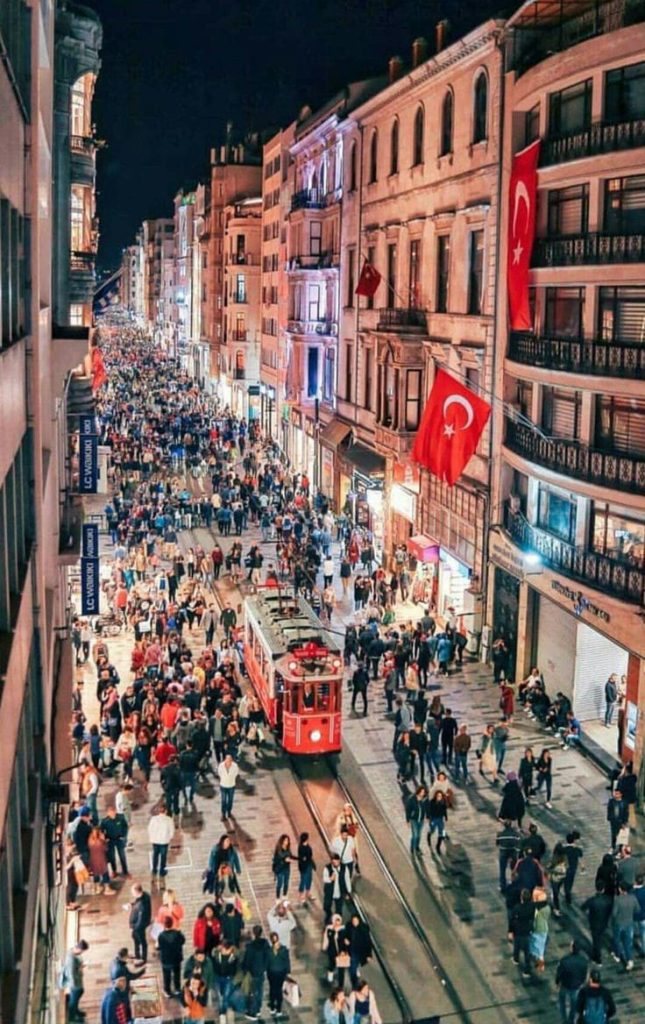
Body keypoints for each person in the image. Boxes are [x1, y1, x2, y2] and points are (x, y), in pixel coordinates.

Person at [555, 940, 589, 1024]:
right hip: (576, 986)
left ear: (572, 948)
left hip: (565, 985)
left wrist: (557, 982)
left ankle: (564, 1019)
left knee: (562, 1001)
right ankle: (571, 1020)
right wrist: (581, 982)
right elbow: (584, 974)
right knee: (574, 1005)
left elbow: (559, 973)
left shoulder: (565, 960)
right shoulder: (584, 961)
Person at [242, 924, 270, 1020]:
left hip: (253, 972)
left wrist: (245, 969)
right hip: (261, 971)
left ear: (254, 933)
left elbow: (247, 960)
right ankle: (258, 1009)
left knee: (253, 992)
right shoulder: (265, 944)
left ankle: (253, 1012)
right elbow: (268, 957)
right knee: (259, 990)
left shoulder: (251, 947)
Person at [582, 883, 613, 965]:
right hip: (604, 923)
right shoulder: (608, 900)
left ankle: (597, 958)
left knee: (596, 941)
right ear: (603, 889)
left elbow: (583, 907)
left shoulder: (592, 900)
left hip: (594, 923)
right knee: (600, 937)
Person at [610, 885, 638, 970]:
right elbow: (637, 909)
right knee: (627, 942)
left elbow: (614, 914)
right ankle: (629, 960)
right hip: (629, 923)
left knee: (617, 939)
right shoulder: (633, 898)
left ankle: (618, 955)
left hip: (619, 923)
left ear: (620, 889)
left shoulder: (618, 900)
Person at [60, 939, 89, 1023]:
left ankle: (76, 1011)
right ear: (79, 949)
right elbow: (71, 974)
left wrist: (80, 966)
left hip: (77, 981)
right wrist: (75, 987)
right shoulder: (71, 959)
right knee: (74, 999)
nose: (82, 953)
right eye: (83, 951)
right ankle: (72, 1017)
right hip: (75, 984)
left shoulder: (73, 953)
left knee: (77, 996)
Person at [213, 936, 239, 1022]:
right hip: (217, 978)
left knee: (225, 996)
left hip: (228, 978)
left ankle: (222, 1013)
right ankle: (222, 1012)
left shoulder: (233, 957)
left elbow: (235, 969)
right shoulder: (216, 955)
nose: (225, 951)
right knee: (219, 996)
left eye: (227, 949)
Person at [510, 888, 535, 978]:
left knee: (516, 946)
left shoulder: (517, 908)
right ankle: (527, 971)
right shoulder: (532, 906)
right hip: (528, 931)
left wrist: (511, 931)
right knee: (527, 952)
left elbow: (512, 920)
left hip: (518, 931)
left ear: (521, 898)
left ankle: (516, 959)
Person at [158, 915, 185, 998]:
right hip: (176, 958)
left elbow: (159, 947)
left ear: (164, 924)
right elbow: (183, 941)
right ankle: (177, 989)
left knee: (167, 976)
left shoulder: (161, 936)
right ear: (172, 923)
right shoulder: (178, 934)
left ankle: (167, 991)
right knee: (177, 974)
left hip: (166, 959)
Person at [266, 929, 291, 1019]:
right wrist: (288, 972)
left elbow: (267, 963)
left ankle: (272, 1007)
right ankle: (279, 1009)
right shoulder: (284, 950)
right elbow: (287, 961)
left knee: (272, 989)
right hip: (281, 972)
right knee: (279, 990)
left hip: (271, 972)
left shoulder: (268, 951)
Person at [148, 803, 175, 883]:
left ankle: (154, 870)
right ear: (165, 811)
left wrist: (152, 837)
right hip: (164, 841)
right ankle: (162, 871)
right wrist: (169, 838)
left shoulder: (153, 819)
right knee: (163, 857)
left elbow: (150, 829)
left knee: (155, 855)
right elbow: (172, 832)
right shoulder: (169, 820)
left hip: (155, 841)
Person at [345, 912, 373, 988]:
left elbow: (368, 942)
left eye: (356, 921)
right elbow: (345, 935)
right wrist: (346, 940)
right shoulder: (349, 926)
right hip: (352, 950)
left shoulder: (363, 929)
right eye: (353, 921)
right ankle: (355, 984)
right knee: (352, 969)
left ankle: (355, 972)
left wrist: (369, 955)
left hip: (360, 951)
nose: (354, 923)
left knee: (355, 965)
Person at [128, 883, 152, 964]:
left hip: (139, 927)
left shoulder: (142, 905)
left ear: (136, 892)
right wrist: (132, 904)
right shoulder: (144, 895)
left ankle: (143, 958)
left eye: (132, 892)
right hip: (137, 926)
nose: (132, 894)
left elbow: (140, 920)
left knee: (142, 941)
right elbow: (137, 902)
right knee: (135, 939)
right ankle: (137, 954)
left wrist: (133, 928)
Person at [272, 834, 295, 899]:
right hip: (280, 869)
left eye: (287, 840)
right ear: (282, 841)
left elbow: (290, 856)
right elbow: (280, 857)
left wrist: (298, 858)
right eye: (285, 840)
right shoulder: (278, 849)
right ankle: (278, 898)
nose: (287, 842)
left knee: (286, 883)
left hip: (287, 869)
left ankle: (284, 896)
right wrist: (286, 860)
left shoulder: (288, 848)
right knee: (279, 884)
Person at [406, 785, 427, 856]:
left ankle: (417, 847)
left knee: (419, 835)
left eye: (423, 792)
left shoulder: (424, 800)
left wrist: (427, 817)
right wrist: (408, 820)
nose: (422, 794)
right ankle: (412, 848)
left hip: (421, 820)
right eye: (421, 792)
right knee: (415, 835)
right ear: (418, 791)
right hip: (414, 820)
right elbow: (408, 810)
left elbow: (426, 809)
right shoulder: (412, 799)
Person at [218, 753, 240, 820]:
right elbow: (219, 773)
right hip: (223, 785)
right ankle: (223, 814)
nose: (228, 762)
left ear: (231, 760)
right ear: (225, 760)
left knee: (230, 800)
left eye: (230, 761)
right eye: (227, 761)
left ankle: (229, 811)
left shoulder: (235, 766)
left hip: (231, 785)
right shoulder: (221, 766)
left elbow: (236, 773)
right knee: (223, 800)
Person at [297, 831, 315, 903]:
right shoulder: (301, 847)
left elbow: (310, 856)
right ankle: (301, 895)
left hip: (309, 865)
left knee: (309, 879)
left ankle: (308, 892)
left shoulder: (307, 846)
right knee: (303, 880)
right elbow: (303, 858)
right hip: (304, 866)